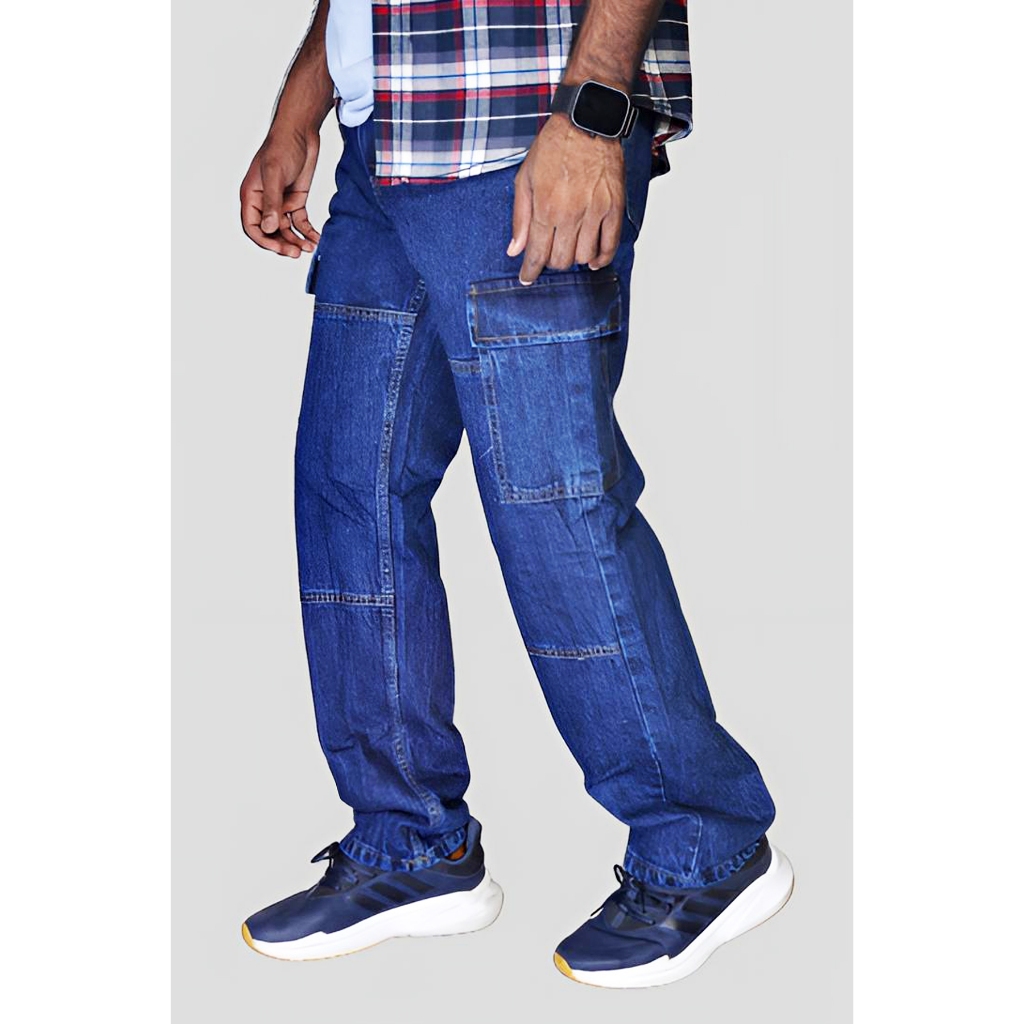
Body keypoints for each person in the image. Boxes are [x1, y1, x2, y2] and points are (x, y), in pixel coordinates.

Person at [238, 0, 793, 988]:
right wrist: (302, 106)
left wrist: (591, 111)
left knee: (551, 502)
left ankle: (704, 845)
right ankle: (409, 841)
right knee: (347, 489)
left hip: (520, 122)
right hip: (382, 134)